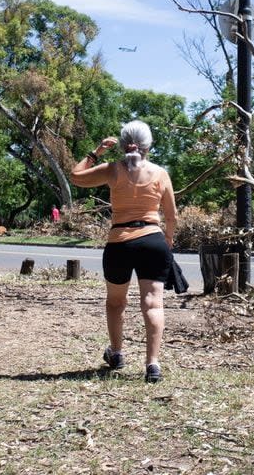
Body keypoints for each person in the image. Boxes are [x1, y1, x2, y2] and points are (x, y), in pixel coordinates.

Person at [70, 120, 177, 383]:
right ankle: (152, 364)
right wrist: (168, 240)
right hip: (153, 240)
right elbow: (172, 216)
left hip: (119, 242)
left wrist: (96, 152)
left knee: (116, 302)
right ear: (148, 146)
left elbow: (76, 176)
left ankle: (116, 353)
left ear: (121, 144)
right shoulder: (161, 173)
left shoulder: (111, 170)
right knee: (153, 302)